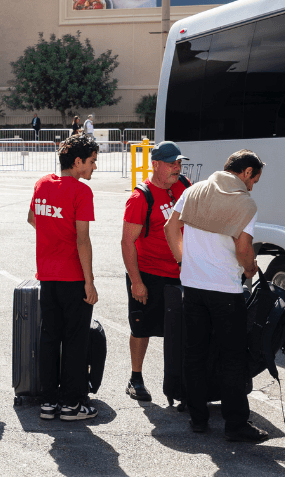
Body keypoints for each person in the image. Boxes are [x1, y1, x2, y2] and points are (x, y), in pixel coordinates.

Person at [164, 150, 269, 443]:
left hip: (193, 287)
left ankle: (198, 418)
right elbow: (243, 250)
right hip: (225, 289)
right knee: (232, 358)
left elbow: (170, 227)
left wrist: (184, 262)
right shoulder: (245, 203)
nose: (253, 187)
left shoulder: (194, 190)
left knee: (194, 353)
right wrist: (250, 269)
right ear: (246, 172)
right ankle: (235, 424)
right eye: (254, 180)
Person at [29, 133, 99, 421]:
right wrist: (90, 282)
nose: (95, 167)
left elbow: (33, 219)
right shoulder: (81, 192)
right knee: (74, 341)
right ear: (78, 161)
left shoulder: (42, 184)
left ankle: (48, 402)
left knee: (49, 337)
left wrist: (53, 234)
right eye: (92, 162)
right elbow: (83, 240)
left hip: (47, 276)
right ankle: (72, 404)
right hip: (72, 278)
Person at [120, 141, 190, 403]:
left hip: (180, 272)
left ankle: (179, 381)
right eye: (172, 163)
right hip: (148, 273)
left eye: (179, 162)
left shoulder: (182, 185)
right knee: (142, 327)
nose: (177, 167)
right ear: (156, 164)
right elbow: (127, 242)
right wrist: (136, 282)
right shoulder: (140, 198)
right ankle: (135, 378)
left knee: (181, 330)